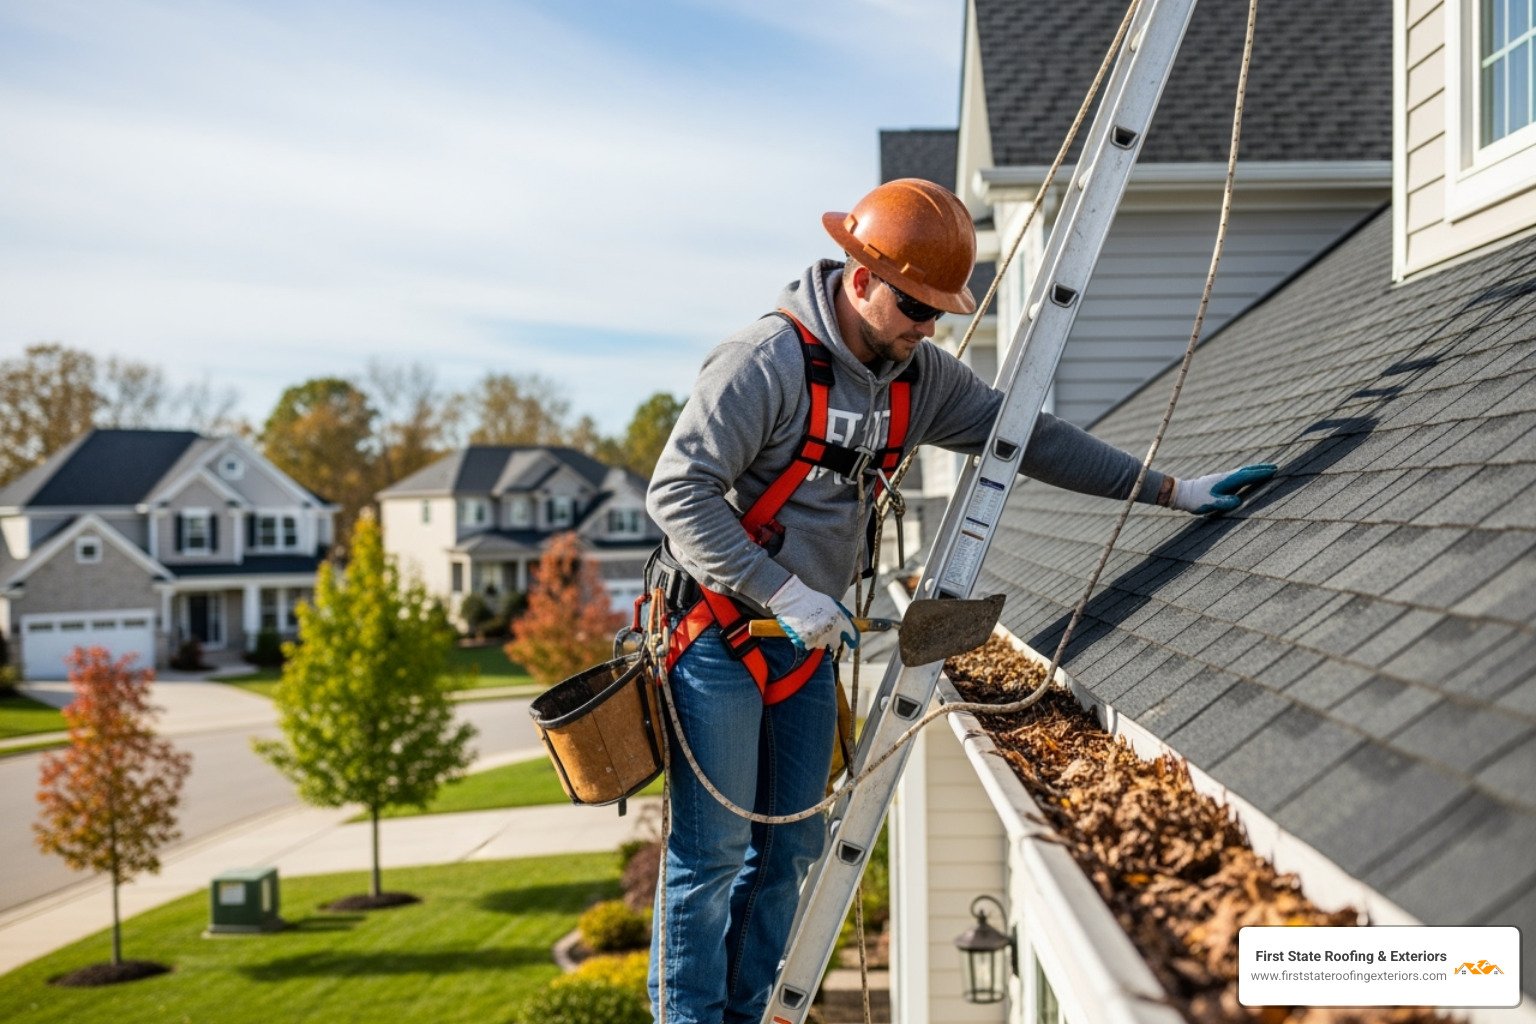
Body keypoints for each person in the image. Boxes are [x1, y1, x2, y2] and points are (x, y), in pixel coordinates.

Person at [643, 178, 1274, 1023]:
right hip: (716, 629)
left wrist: (1172, 490)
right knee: (713, 854)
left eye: (939, 312)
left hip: (802, 644)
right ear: (861, 276)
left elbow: (1031, 437)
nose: (927, 326)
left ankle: (745, 1013)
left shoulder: (920, 379)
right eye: (914, 305)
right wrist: (779, 588)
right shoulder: (767, 362)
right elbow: (679, 493)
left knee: (791, 843)